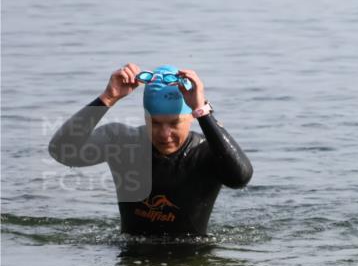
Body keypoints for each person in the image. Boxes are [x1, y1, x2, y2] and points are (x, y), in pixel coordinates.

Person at [48, 63, 253, 237]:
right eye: (154, 123)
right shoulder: (122, 142)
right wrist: (107, 99)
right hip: (132, 259)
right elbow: (62, 152)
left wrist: (203, 112)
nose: (164, 134)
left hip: (191, 261)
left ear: (192, 117)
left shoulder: (209, 152)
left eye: (174, 123)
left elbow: (240, 178)